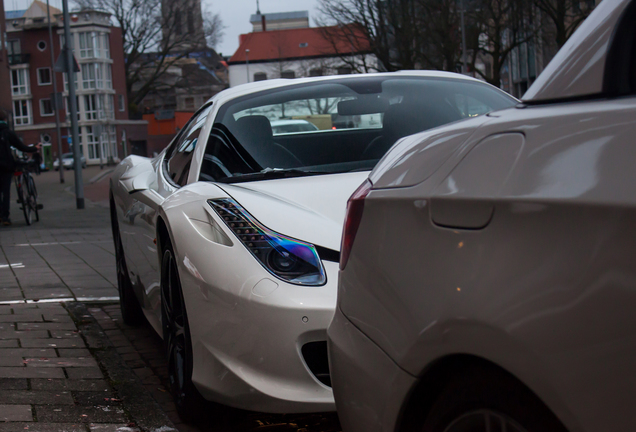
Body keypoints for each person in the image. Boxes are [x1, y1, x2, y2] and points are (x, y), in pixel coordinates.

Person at [0, 109, 42, 226]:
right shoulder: (8, 133)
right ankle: (5, 217)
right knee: (5, 191)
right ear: (4, 120)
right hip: (6, 167)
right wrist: (35, 148)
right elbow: (21, 147)